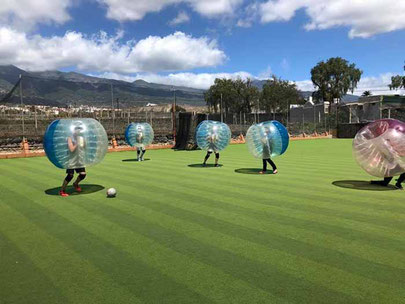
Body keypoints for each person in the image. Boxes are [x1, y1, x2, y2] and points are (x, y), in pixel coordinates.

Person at [59, 123, 87, 197]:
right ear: (74, 130)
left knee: (83, 174)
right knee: (70, 175)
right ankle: (62, 190)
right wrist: (77, 143)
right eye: (77, 130)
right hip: (71, 160)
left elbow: (84, 148)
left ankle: (75, 183)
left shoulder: (81, 138)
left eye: (80, 130)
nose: (78, 131)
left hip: (79, 159)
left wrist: (84, 142)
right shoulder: (70, 138)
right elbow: (71, 149)